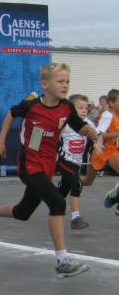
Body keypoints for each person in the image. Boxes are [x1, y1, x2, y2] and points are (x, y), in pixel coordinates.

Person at [0, 63, 97, 278]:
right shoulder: (32, 106)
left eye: (67, 81)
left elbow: (78, 125)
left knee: (23, 212)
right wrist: (1, 139)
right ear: (45, 84)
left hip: (47, 165)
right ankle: (62, 261)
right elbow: (11, 113)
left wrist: (92, 133)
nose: (65, 85)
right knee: (57, 202)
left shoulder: (66, 107)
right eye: (60, 81)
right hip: (29, 165)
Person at [56, 94, 96, 230]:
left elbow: (98, 136)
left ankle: (47, 196)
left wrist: (98, 144)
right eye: (80, 108)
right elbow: (52, 135)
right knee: (77, 184)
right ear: (72, 110)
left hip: (76, 163)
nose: (84, 110)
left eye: (86, 108)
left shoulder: (88, 124)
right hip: (64, 160)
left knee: (61, 193)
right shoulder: (65, 124)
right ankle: (75, 219)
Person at [82, 88, 119, 189]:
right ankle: (70, 183)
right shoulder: (108, 115)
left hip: (112, 151)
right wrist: (117, 134)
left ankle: (114, 194)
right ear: (111, 103)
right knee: (87, 182)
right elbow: (99, 134)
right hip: (101, 151)